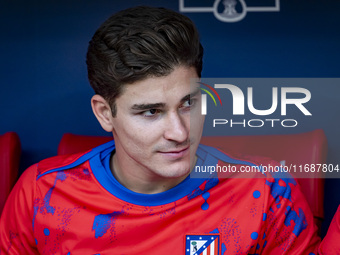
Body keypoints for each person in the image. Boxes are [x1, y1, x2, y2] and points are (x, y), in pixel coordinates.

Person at [0, 6, 320, 254]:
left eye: (188, 103)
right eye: (151, 112)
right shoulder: (41, 192)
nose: (181, 133)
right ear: (104, 113)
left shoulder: (265, 189)